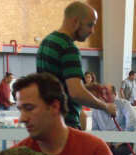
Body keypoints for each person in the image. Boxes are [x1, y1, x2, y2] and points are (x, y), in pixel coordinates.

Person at [36, 1, 116, 129]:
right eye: (90, 25)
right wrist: (105, 107)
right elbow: (76, 93)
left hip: (46, 122)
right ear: (75, 22)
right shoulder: (68, 48)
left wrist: (86, 87)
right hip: (65, 124)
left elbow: (59, 86)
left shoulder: (47, 42)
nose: (92, 31)